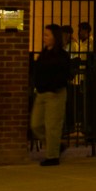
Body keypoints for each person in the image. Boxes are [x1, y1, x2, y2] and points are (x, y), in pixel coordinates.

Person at [30, 23, 72, 167]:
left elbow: (66, 73)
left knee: (52, 125)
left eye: (47, 35)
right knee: (36, 124)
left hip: (55, 93)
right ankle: (56, 146)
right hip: (42, 92)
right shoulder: (43, 53)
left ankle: (52, 156)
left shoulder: (62, 55)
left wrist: (55, 84)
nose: (44, 38)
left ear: (55, 38)